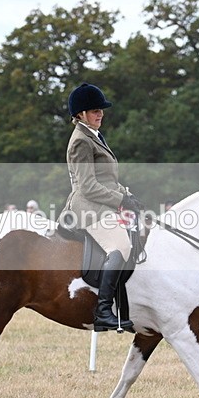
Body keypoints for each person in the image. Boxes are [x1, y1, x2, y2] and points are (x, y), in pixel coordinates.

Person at [58, 83, 142, 333]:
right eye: (95, 110)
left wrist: (128, 194)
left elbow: (107, 180)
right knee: (120, 246)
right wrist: (119, 201)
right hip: (90, 207)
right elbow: (88, 186)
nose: (100, 114)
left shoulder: (94, 135)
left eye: (101, 110)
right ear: (81, 114)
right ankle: (103, 310)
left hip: (102, 202)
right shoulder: (80, 141)